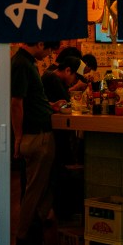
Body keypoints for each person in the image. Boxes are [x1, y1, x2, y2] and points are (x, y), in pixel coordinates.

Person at [11, 40, 60, 245]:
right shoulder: (22, 64)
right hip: (36, 135)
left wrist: (49, 106)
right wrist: (18, 137)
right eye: (50, 50)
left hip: (38, 133)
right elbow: (16, 103)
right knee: (34, 190)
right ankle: (24, 241)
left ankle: (33, 239)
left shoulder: (26, 63)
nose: (49, 55)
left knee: (41, 188)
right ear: (40, 44)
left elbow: (30, 99)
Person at [41, 56, 83, 221]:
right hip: (53, 133)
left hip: (50, 131)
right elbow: (65, 103)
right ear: (67, 70)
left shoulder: (50, 76)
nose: (74, 80)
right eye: (75, 76)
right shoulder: (54, 79)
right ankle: (57, 212)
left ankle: (53, 211)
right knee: (58, 172)